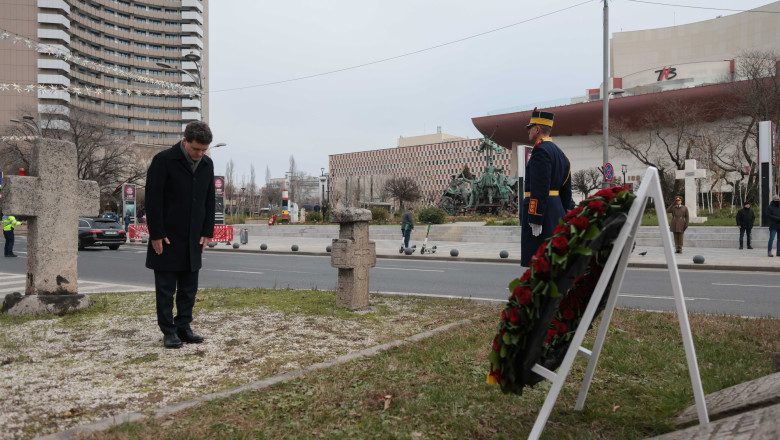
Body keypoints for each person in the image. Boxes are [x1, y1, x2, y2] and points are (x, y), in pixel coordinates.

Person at [145, 121, 216, 349]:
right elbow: (152, 199)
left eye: (204, 150)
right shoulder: (163, 160)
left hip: (194, 237)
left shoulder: (207, 164)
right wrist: (156, 233)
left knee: (189, 288)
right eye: (196, 149)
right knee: (165, 289)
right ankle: (169, 331)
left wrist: (207, 231)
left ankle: (184, 327)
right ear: (185, 141)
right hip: (166, 237)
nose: (200, 154)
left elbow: (209, 200)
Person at [520, 109, 572, 267]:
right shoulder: (561, 154)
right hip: (555, 211)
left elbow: (540, 186)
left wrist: (535, 217)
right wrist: (564, 214)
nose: (528, 131)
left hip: (542, 212)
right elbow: (566, 190)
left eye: (531, 127)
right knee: (553, 260)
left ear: (538, 129)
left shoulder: (540, 151)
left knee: (539, 262)